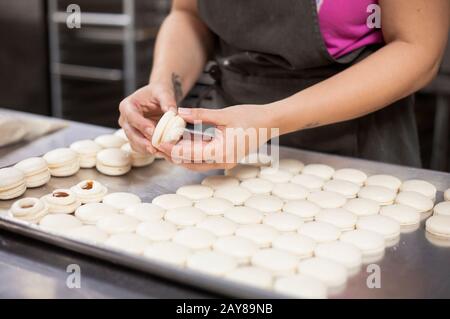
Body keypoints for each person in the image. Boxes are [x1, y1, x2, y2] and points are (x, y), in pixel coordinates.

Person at [119, 0, 449, 171]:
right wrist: (164, 85)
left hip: (356, 143)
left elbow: (417, 48)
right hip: (230, 143)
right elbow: (189, 14)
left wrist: (270, 120)